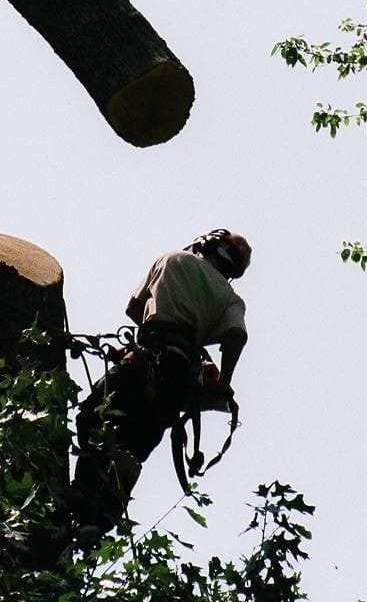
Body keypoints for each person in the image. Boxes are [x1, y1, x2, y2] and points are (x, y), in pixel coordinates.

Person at [70, 228, 251, 533]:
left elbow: (134, 308)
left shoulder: (173, 259)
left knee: (93, 415)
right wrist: (223, 381)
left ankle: (82, 495)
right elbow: (236, 336)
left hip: (146, 358)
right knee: (134, 447)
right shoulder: (230, 298)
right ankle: (101, 519)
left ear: (205, 244)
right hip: (177, 382)